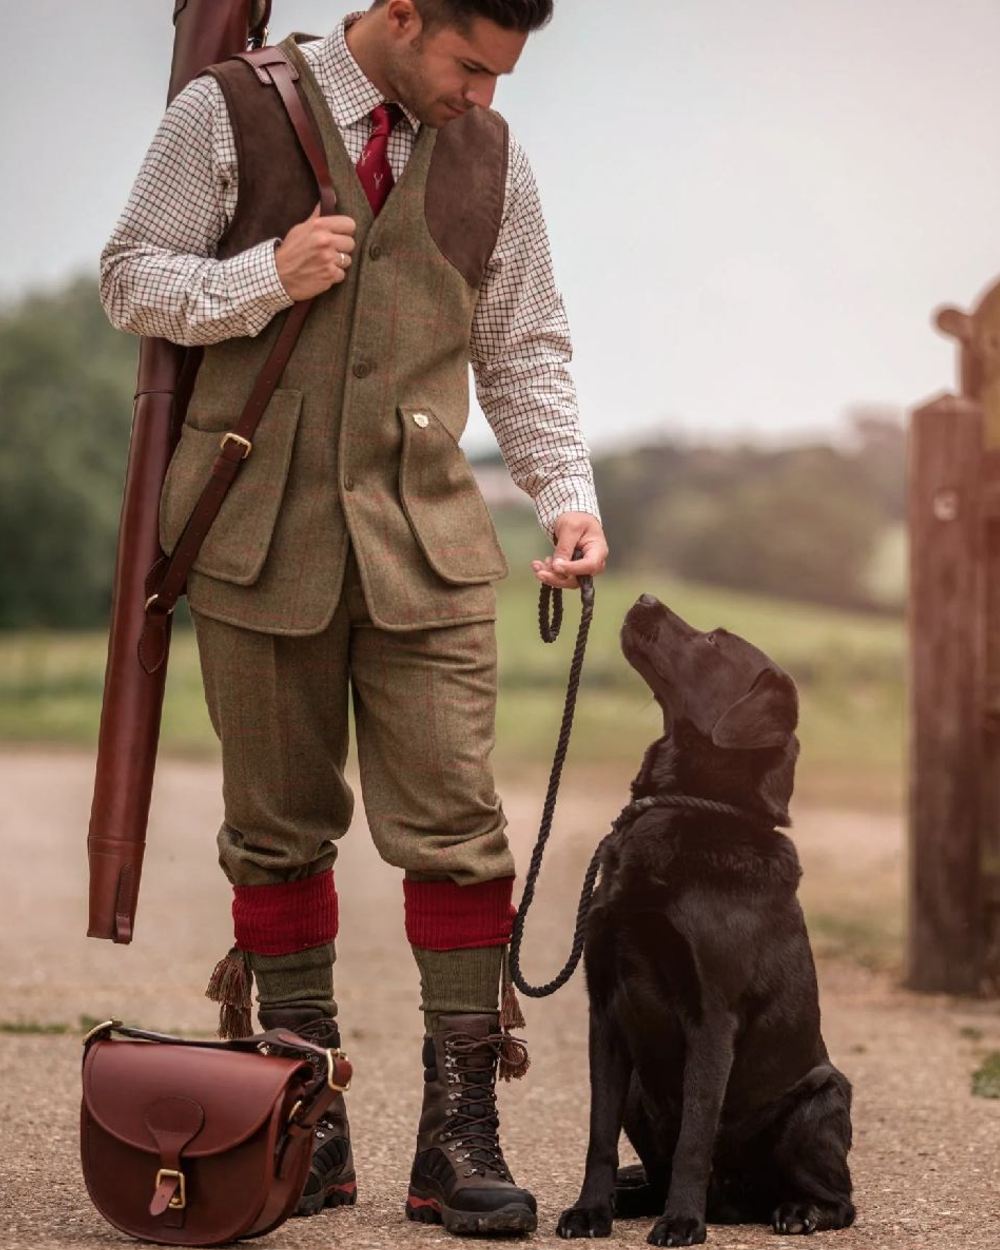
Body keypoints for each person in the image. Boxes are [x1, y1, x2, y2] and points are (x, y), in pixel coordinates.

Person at [100, 0, 607, 1236]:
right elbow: (129, 279)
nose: (484, 96)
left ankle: (457, 1133)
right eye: (469, 63)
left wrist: (566, 492)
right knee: (273, 834)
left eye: (502, 74)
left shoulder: (494, 155)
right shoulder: (223, 108)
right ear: (398, 16)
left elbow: (521, 342)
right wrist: (258, 281)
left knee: (457, 829)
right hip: (253, 534)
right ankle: (300, 1125)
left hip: (429, 543)